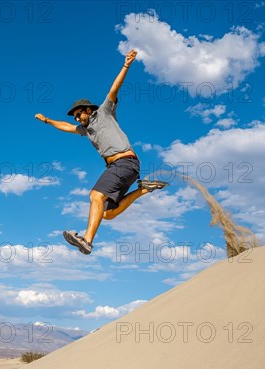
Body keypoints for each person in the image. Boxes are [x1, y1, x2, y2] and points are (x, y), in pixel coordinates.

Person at [35, 49, 168, 255]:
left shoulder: (104, 112)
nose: (77, 119)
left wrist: (126, 65)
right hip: (125, 167)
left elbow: (114, 88)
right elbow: (66, 127)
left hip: (124, 163)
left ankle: (87, 240)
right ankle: (143, 189)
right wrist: (47, 121)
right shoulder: (84, 129)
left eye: (79, 114)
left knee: (95, 196)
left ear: (88, 110)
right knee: (108, 214)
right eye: (75, 117)